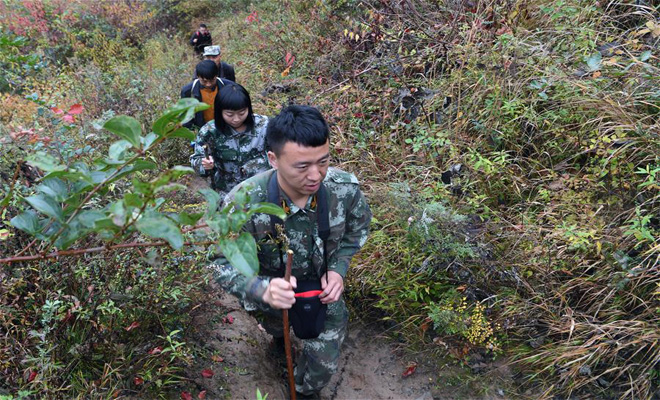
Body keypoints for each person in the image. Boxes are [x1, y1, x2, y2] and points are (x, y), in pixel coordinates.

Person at [210, 105, 372, 399]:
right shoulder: (242, 204)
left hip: (321, 293)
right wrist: (261, 289)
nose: (315, 175)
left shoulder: (344, 190)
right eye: (302, 166)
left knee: (322, 365)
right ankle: (278, 341)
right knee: (277, 331)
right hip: (271, 298)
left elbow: (357, 230)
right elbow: (220, 264)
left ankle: (305, 390)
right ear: (272, 159)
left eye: (323, 162)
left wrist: (338, 268)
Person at [190, 82, 270, 195]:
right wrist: (204, 165)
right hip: (227, 192)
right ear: (220, 112)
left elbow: (280, 154)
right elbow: (196, 159)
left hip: (261, 188)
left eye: (242, 113)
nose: (236, 119)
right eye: (230, 114)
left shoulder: (264, 125)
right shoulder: (209, 131)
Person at [180, 60, 232, 130]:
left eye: (212, 80)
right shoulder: (188, 91)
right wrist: (191, 130)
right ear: (198, 77)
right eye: (204, 81)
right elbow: (186, 114)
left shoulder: (228, 86)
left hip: (223, 126)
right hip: (201, 128)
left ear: (216, 75)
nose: (208, 84)